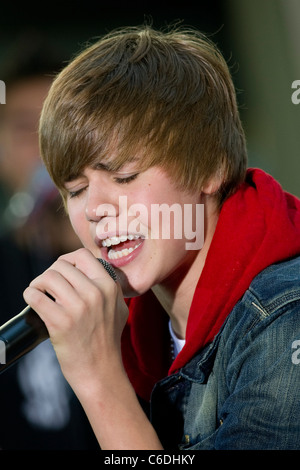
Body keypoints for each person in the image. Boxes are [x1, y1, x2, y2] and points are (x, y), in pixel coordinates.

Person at [23, 25, 300, 450]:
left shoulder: (286, 319)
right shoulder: (138, 333)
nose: (95, 208)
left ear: (211, 168)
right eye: (75, 190)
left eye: (125, 176)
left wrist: (99, 381)